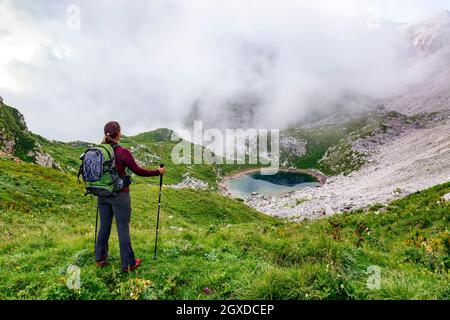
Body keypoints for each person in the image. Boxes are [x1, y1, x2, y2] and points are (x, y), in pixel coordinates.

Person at [95, 121, 165, 272]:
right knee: (123, 229)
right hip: (120, 196)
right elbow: (138, 170)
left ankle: (100, 258)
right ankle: (128, 264)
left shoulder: (98, 151)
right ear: (118, 134)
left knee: (104, 226)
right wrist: (157, 172)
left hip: (102, 194)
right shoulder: (123, 152)